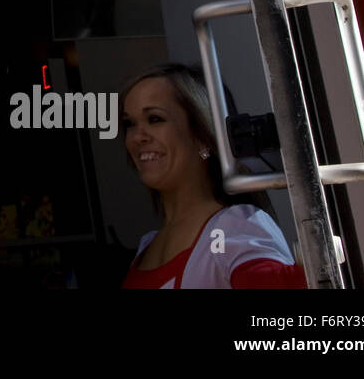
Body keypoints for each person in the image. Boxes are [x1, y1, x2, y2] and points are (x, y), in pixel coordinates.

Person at [120, 63, 307, 288]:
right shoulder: (146, 246)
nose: (136, 137)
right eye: (129, 123)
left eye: (155, 119)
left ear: (201, 135)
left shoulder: (232, 228)